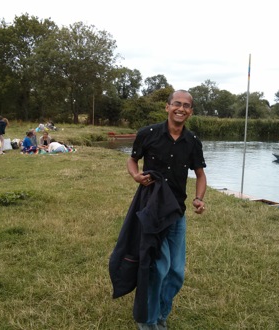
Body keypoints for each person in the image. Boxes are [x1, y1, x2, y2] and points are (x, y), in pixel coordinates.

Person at [109, 90, 207, 330]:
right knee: (157, 268)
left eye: (186, 106)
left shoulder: (193, 141)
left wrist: (198, 198)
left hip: (177, 213)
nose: (181, 109)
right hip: (151, 210)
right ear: (167, 107)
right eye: (177, 104)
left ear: (191, 111)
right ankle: (149, 322)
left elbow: (200, 174)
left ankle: (162, 314)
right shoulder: (148, 134)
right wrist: (135, 175)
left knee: (175, 272)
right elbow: (133, 159)